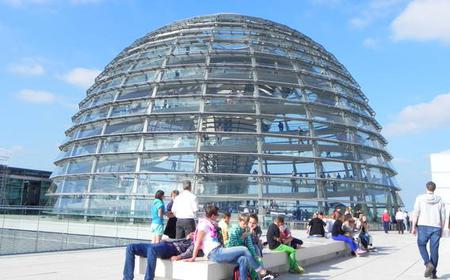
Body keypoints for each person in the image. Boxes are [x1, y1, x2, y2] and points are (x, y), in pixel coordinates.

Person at [185, 205, 278, 280]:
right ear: (213, 215)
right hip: (215, 253)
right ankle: (263, 273)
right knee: (244, 249)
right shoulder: (204, 224)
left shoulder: (210, 224)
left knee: (243, 259)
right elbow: (198, 241)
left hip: (219, 250)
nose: (218, 217)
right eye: (217, 215)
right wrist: (193, 257)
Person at [122, 233, 196, 280]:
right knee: (130, 247)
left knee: (152, 249)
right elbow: (173, 240)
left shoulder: (195, 243)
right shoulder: (188, 238)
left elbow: (189, 252)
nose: (194, 234)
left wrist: (179, 257)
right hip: (160, 244)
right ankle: (127, 278)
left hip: (171, 248)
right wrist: (186, 237)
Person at [412, 181, 446, 279]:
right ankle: (433, 274)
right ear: (434, 189)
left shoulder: (420, 198)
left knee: (421, 244)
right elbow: (443, 216)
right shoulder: (440, 200)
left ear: (426, 188)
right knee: (434, 250)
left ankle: (428, 263)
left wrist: (413, 226)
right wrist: (442, 228)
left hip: (423, 226)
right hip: (436, 227)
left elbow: (416, 213)